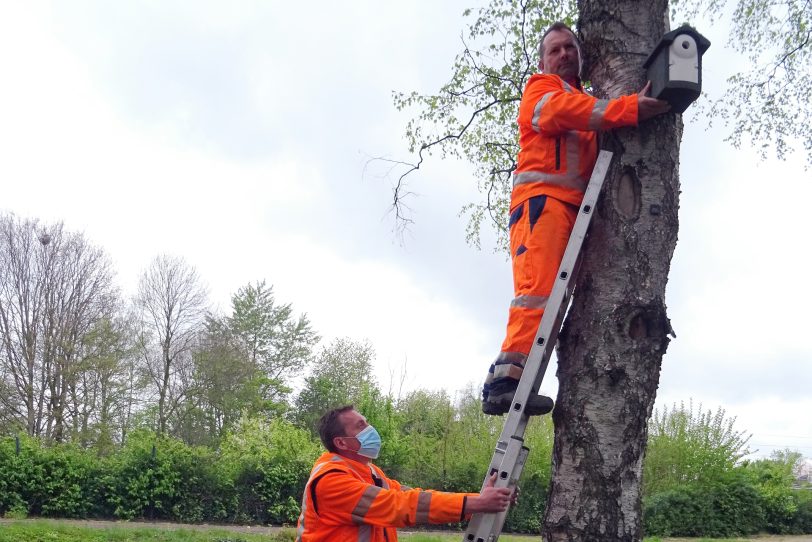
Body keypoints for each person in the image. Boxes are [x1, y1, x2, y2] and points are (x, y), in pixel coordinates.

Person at [481, 22, 671, 415]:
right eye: (555, 49)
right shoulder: (542, 89)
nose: (564, 53)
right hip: (543, 203)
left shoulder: (583, 100)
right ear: (543, 60)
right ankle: (504, 380)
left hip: (568, 210)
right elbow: (563, 112)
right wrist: (628, 108)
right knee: (539, 292)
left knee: (554, 296)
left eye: (570, 47)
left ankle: (522, 380)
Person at [296, 405, 514, 541]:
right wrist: (477, 504)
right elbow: (399, 506)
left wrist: (482, 499)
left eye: (367, 423)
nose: (370, 429)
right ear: (342, 442)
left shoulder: (370, 472)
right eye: (361, 425)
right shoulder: (330, 481)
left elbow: (415, 497)